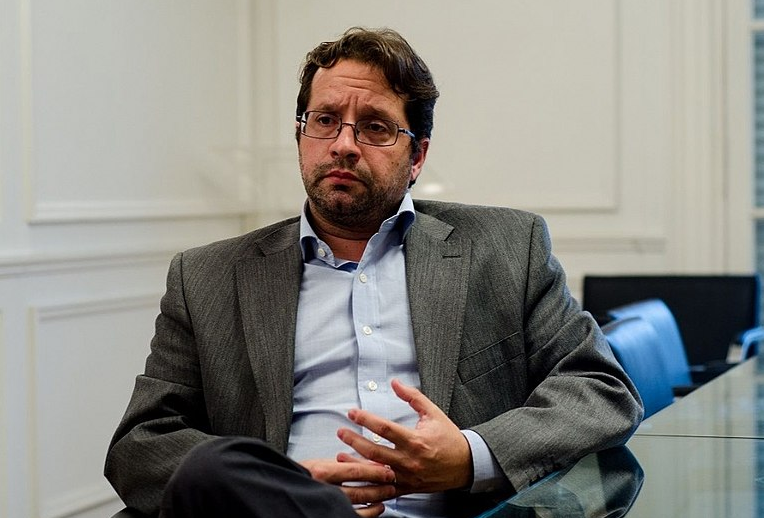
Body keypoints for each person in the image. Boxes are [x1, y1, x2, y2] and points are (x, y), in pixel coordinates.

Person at [105, 26, 643, 518]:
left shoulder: (504, 248)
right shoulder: (208, 277)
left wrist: (470, 456)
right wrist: (283, 488)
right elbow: (140, 444)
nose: (343, 145)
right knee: (209, 467)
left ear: (417, 156)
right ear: (301, 136)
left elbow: (600, 389)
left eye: (375, 127)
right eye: (324, 121)